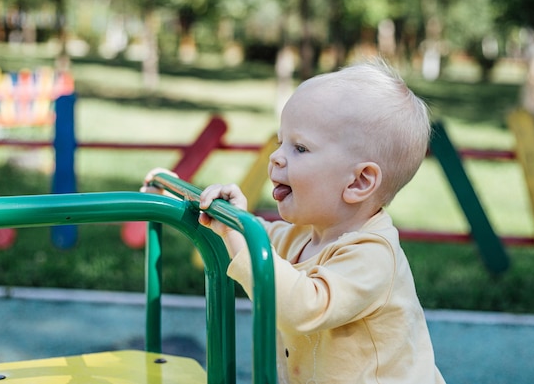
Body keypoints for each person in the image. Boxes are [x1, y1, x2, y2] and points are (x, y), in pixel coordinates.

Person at [148, 58, 445, 383]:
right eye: (280, 142)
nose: (277, 156)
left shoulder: (373, 256)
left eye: (300, 148)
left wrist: (238, 236)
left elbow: (303, 307)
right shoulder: (302, 236)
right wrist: (187, 203)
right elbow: (255, 236)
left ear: (359, 182)